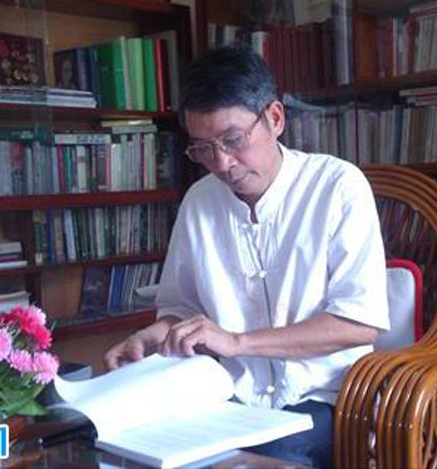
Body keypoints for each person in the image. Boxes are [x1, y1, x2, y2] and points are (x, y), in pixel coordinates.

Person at [105, 44, 390, 469]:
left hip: (326, 399)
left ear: (275, 118)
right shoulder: (199, 201)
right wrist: (153, 335)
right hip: (227, 399)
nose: (222, 163)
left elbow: (359, 322)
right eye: (203, 148)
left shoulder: (337, 187)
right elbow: (183, 308)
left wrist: (237, 342)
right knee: (127, 449)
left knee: (250, 463)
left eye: (233, 140)